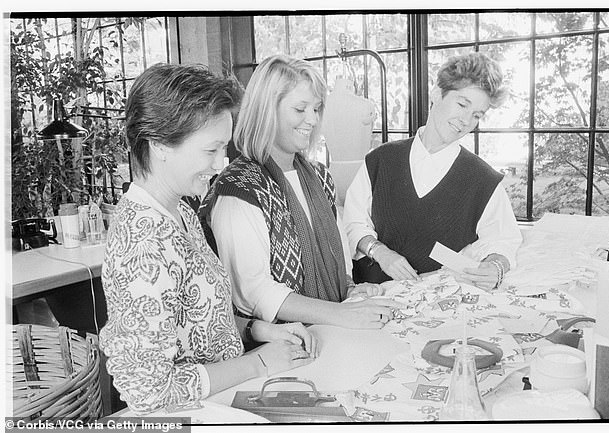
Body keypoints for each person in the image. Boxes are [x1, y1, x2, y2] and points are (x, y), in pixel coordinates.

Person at [99, 63, 318, 415]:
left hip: (220, 400)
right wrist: (259, 363)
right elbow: (149, 391)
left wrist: (259, 331)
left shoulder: (179, 211)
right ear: (159, 145)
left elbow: (201, 320)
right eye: (210, 150)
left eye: (224, 149)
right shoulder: (143, 243)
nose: (220, 163)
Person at [198, 55, 402, 329]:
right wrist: (340, 314)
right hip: (280, 346)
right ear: (266, 110)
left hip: (330, 332)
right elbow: (253, 292)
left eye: (316, 109)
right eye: (300, 109)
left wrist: (351, 291)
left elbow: (338, 257)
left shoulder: (319, 176)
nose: (312, 119)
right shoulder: (239, 189)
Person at [343, 52, 522, 290]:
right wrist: (381, 252)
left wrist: (496, 267)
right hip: (368, 298)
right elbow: (353, 223)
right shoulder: (380, 160)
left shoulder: (484, 180)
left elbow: (503, 241)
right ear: (437, 94)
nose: (465, 120)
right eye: (462, 104)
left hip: (436, 307)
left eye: (477, 115)